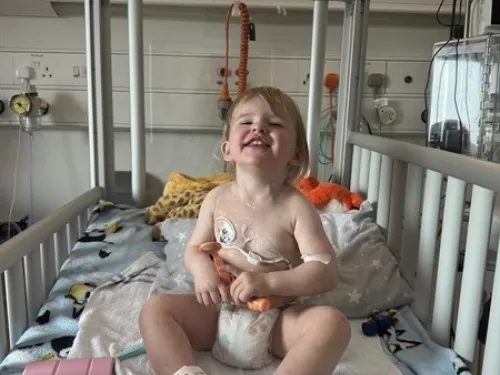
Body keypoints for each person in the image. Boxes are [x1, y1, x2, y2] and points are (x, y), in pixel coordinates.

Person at [139, 86, 351, 375]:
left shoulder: (296, 208)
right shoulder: (216, 199)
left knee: (333, 324)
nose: (259, 127)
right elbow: (194, 249)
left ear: (295, 154)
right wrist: (203, 273)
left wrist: (269, 284)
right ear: (228, 150)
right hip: (217, 312)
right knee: (155, 310)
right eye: (246, 122)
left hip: (278, 319)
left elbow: (325, 270)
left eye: (274, 124)